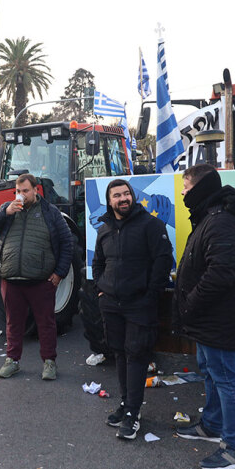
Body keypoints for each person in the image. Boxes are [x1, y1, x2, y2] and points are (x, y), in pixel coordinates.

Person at [174, 163, 235, 469]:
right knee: (210, 371)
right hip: (208, 320)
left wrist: (190, 303)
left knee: (226, 378)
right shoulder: (210, 218)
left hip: (218, 319)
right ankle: (212, 425)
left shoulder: (220, 222)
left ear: (198, 188)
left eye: (185, 187)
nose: (182, 193)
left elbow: (220, 275)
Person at [92, 179, 173, 440]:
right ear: (110, 201)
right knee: (119, 353)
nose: (123, 198)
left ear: (132, 197)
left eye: (126, 194)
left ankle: (133, 414)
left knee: (136, 356)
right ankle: (127, 405)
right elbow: (98, 263)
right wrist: (102, 290)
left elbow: (163, 260)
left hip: (140, 304)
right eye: (117, 195)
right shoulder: (104, 229)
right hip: (111, 304)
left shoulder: (151, 225)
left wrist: (151, 295)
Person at [0, 173, 74, 381]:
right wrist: (5, 212)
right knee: (13, 323)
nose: (21, 195)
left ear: (35, 190)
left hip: (41, 281)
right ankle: (12, 361)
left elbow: (66, 242)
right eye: (18, 191)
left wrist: (60, 273)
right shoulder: (8, 209)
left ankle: (49, 362)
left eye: (25, 191)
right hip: (11, 279)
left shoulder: (50, 213)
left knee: (46, 323)